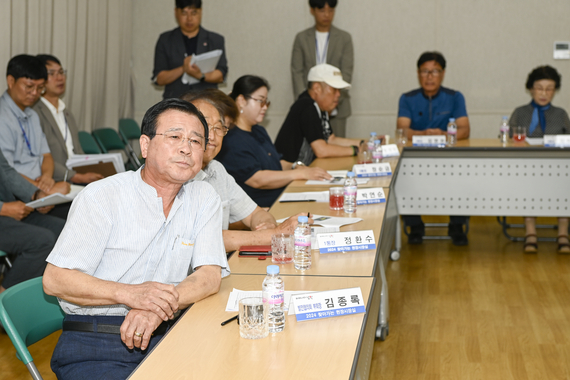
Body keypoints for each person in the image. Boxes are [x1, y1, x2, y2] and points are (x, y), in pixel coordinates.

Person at [43, 98, 229, 379]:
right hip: (97, 342)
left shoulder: (203, 197)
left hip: (169, 332)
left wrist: (157, 308)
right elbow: (55, 279)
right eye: (175, 136)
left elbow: (209, 276)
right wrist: (131, 294)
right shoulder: (102, 196)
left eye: (196, 141)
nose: (186, 148)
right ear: (145, 145)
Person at [181, 89, 311, 252]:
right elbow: (200, 239)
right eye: (206, 126)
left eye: (219, 128)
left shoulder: (217, 169)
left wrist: (267, 226)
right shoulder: (177, 174)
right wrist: (273, 234)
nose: (212, 136)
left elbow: (255, 213)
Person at [217, 75, 331, 207]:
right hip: (261, 206)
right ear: (241, 100)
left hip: (282, 195)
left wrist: (296, 166)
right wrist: (299, 173)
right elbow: (257, 179)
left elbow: (276, 162)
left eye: (267, 102)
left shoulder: (259, 131)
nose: (265, 107)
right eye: (260, 101)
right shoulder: (231, 139)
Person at [397, 51, 470, 246]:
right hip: (416, 159)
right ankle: (415, 226)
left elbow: (464, 129)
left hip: (449, 158)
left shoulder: (455, 97)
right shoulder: (407, 98)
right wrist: (423, 135)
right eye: (425, 71)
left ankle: (457, 226)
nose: (429, 77)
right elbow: (402, 130)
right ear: (418, 73)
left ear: (443, 73)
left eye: (435, 71)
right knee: (403, 176)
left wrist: (443, 135)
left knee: (463, 175)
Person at [508, 65, 570, 253]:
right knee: (528, 181)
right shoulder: (520, 112)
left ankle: (562, 232)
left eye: (549, 88)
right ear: (531, 88)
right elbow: (507, 139)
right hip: (527, 167)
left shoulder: (561, 114)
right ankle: (530, 231)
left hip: (558, 168)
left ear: (555, 90)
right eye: (539, 88)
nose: (544, 93)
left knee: (565, 181)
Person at [0, 149, 65, 294]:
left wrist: (35, 194)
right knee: (42, 241)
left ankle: (49, 291)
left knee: (64, 230)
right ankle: (5, 301)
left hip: (7, 207)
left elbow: (6, 171)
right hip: (3, 210)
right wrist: (3, 208)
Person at [275, 64, 365, 167]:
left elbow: (331, 140)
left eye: (339, 90)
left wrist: (363, 143)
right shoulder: (307, 106)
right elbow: (321, 150)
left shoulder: (320, 107)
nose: (338, 95)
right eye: (334, 89)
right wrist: (356, 150)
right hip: (287, 177)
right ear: (317, 88)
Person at [33, 54, 103, 184]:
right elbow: (39, 157)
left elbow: (77, 150)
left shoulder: (67, 113)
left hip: (77, 176)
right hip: (55, 180)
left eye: (61, 72)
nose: (59, 78)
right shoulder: (34, 113)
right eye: (52, 73)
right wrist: (75, 176)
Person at [291, 0, 353, 137]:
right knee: (312, 149)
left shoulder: (344, 38)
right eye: (322, 10)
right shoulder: (301, 38)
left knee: (337, 148)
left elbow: (347, 72)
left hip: (337, 107)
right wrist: (306, 103)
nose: (327, 15)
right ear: (312, 10)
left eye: (330, 10)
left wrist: (332, 100)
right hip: (309, 104)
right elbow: (297, 72)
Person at [152, 0, 228, 99]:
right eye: (184, 13)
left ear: (200, 12)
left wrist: (200, 75)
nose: (189, 19)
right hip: (175, 102)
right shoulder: (165, 39)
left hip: (207, 100)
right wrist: (183, 69)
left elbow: (221, 75)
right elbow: (159, 79)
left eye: (194, 13)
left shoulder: (215, 39)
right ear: (176, 12)